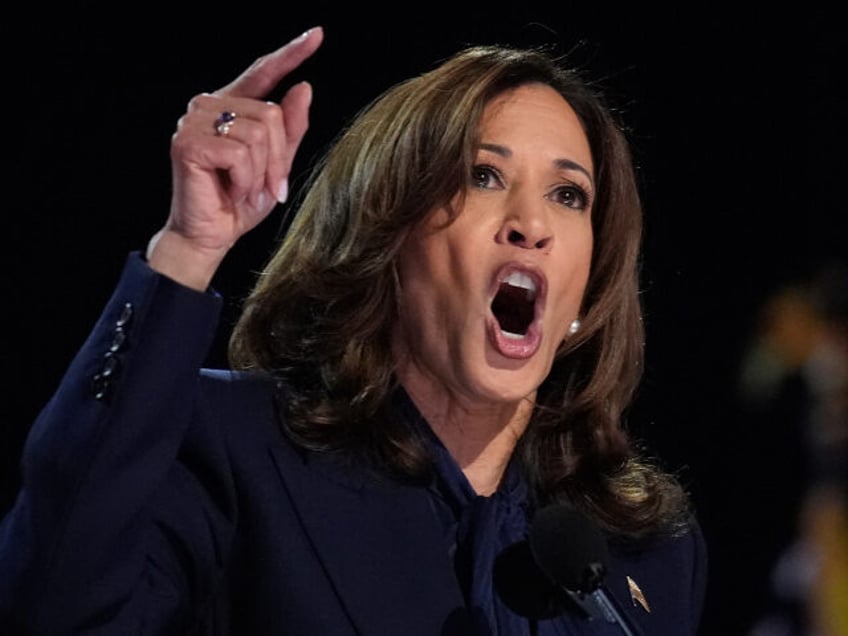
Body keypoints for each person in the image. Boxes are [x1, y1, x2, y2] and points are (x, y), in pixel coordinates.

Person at [0, 25, 707, 635]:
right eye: (483, 176)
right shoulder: (237, 452)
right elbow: (58, 604)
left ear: (585, 291)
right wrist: (188, 248)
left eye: (568, 194)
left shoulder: (641, 551)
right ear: (388, 242)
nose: (531, 223)